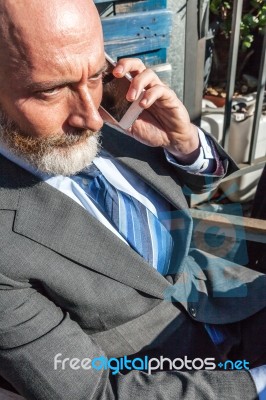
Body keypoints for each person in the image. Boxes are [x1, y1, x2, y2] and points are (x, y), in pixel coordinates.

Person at [0, 0, 266, 399]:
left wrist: (185, 145)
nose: (91, 118)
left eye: (94, 74)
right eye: (51, 90)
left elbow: (192, 200)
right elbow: (94, 391)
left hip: (231, 299)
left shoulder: (117, 104)